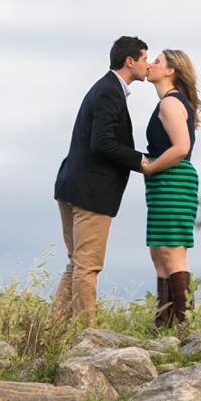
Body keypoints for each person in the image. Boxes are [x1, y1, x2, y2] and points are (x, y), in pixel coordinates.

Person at [53, 36, 149, 325]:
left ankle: (51, 332)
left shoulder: (104, 88)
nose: (148, 64)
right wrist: (140, 161)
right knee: (87, 265)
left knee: (76, 264)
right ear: (130, 61)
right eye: (145, 58)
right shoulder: (109, 92)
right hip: (91, 191)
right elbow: (102, 143)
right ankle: (87, 336)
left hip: (72, 185)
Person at [143, 48, 201, 326]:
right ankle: (163, 324)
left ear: (170, 71)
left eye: (157, 61)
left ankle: (184, 326)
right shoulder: (169, 102)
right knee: (159, 252)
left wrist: (151, 167)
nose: (150, 64)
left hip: (173, 180)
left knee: (172, 252)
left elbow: (181, 147)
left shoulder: (170, 103)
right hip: (164, 182)